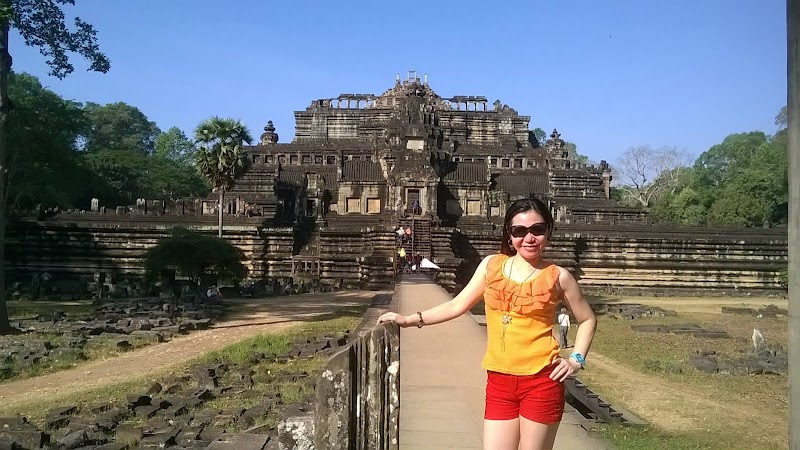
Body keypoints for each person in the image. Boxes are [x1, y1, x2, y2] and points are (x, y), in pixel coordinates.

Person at [377, 197, 596, 450]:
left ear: (548, 232)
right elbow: (456, 305)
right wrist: (408, 319)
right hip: (500, 380)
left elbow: (587, 318)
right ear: (509, 234)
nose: (529, 238)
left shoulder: (558, 277)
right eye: (519, 231)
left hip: (542, 380)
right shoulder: (491, 266)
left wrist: (576, 359)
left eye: (538, 229)